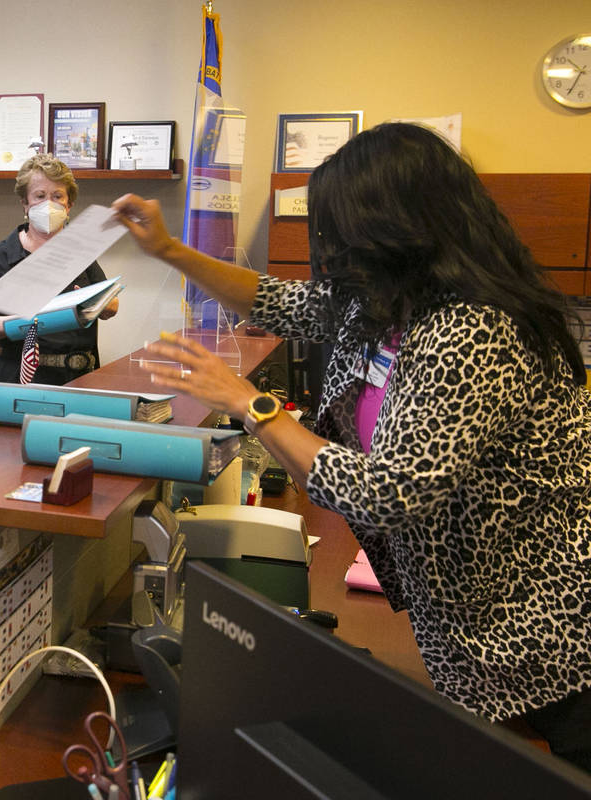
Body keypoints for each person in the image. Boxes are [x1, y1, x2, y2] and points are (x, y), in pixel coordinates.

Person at [113, 122, 591, 772]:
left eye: (342, 234)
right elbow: (279, 300)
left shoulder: (471, 330)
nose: (332, 254)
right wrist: (171, 250)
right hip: (474, 624)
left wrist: (248, 404)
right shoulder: (388, 306)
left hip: (551, 632)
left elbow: (387, 491)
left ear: (400, 230)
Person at [0, 153, 118, 384]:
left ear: (69, 205)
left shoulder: (81, 251)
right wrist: (22, 320)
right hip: (23, 379)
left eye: (57, 196)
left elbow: (112, 305)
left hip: (79, 378)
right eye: (39, 196)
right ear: (25, 204)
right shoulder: (3, 255)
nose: (49, 204)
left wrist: (93, 302)